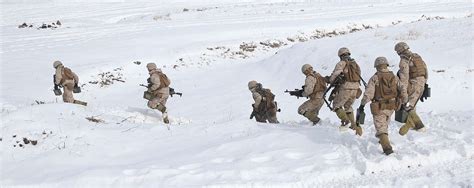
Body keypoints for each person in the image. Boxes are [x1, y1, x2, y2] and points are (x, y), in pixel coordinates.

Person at [358, 57, 405, 155]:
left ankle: (387, 148)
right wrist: (404, 100)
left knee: (380, 127)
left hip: (379, 106)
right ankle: (383, 139)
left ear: (377, 66)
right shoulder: (394, 77)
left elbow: (368, 94)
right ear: (386, 65)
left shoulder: (375, 77)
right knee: (386, 122)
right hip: (392, 105)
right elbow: (402, 89)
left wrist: (362, 104)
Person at [394, 42, 427, 135]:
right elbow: (425, 70)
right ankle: (414, 125)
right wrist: (424, 83)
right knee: (412, 104)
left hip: (413, 83)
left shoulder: (404, 60)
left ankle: (419, 125)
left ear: (399, 51)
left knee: (407, 105)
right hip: (422, 83)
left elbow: (404, 78)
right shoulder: (417, 57)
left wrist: (403, 91)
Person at [327, 47, 363, 133]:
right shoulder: (355, 64)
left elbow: (335, 75)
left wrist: (330, 80)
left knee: (336, 105)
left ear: (340, 55)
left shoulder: (341, 63)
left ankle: (345, 121)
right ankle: (354, 125)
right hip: (356, 88)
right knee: (348, 106)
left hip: (346, 88)